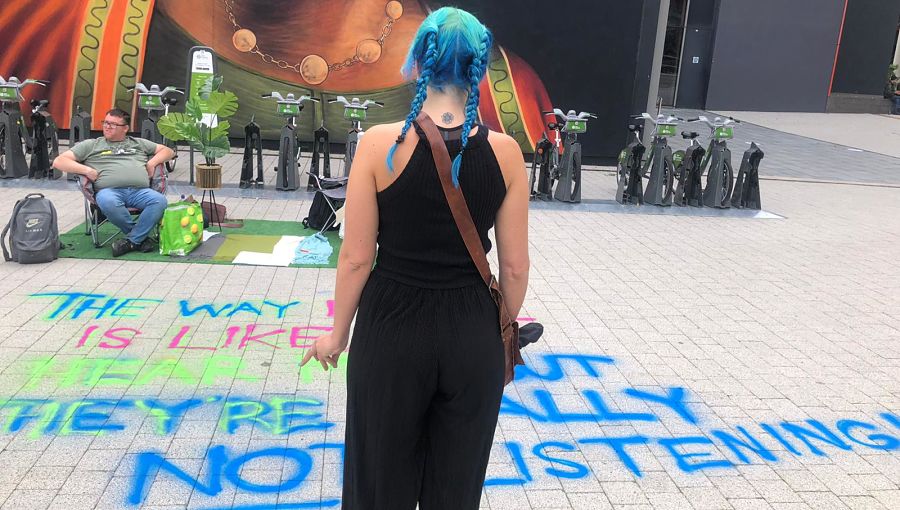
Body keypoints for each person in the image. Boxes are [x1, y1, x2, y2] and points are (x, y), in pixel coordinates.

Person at [301, 7, 529, 509]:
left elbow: (356, 258)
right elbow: (513, 267)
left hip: (391, 330)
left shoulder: (381, 144)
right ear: (479, 68)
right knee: (456, 485)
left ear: (416, 64)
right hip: (472, 331)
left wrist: (337, 336)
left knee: (379, 480)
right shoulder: (509, 152)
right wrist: (503, 328)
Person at [53, 108, 174, 256]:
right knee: (108, 201)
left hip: (140, 191)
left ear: (125, 128)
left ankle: (132, 241)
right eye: (105, 122)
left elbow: (168, 151)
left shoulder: (138, 143)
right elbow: (59, 162)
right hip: (109, 191)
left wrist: (152, 163)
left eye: (112, 124)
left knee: (159, 201)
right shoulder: (91, 145)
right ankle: (139, 238)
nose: (107, 126)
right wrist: (86, 170)